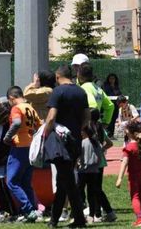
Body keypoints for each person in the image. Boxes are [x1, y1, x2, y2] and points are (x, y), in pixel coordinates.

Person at [43, 64, 89, 228]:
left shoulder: (58, 91)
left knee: (68, 182)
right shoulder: (81, 92)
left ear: (57, 76)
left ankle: (79, 220)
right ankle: (54, 220)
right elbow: (86, 117)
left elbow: (51, 117)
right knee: (63, 180)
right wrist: (78, 130)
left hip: (59, 142)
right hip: (74, 141)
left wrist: (44, 134)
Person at [3, 86, 41, 222]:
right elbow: (39, 124)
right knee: (25, 182)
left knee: (12, 181)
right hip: (30, 147)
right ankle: (34, 210)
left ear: (12, 98)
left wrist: (7, 137)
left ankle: (28, 209)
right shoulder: (30, 107)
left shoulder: (16, 108)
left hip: (19, 146)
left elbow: (17, 122)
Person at [115, 120, 141, 227]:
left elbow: (124, 163)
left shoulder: (129, 147)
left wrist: (119, 178)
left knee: (135, 197)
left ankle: (140, 219)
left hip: (134, 177)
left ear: (130, 132)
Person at [78, 124, 103, 224]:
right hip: (94, 171)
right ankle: (91, 215)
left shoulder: (83, 142)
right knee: (91, 194)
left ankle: (79, 213)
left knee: (80, 192)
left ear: (85, 132)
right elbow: (100, 156)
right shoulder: (96, 142)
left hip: (84, 171)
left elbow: (79, 156)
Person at [78, 64, 115, 128]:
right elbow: (110, 106)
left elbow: (92, 107)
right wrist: (106, 122)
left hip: (89, 128)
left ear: (80, 75)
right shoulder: (98, 89)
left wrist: (84, 125)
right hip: (98, 125)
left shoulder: (84, 88)